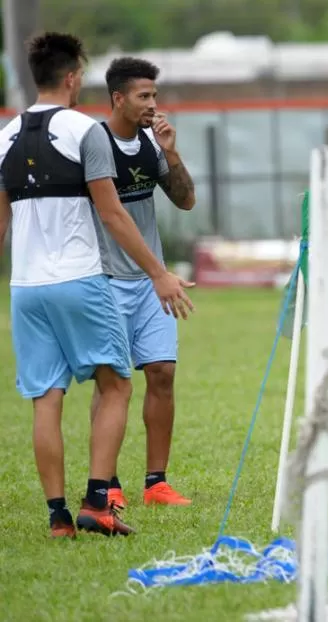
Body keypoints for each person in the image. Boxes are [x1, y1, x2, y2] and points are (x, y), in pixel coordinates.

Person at [0, 32, 194, 538]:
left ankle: (58, 518)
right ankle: (98, 501)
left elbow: (0, 225)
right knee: (116, 384)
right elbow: (110, 212)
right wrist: (159, 273)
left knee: (47, 397)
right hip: (81, 279)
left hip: (25, 287)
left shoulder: (5, 134)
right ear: (71, 78)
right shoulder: (84, 131)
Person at [90, 57, 197, 509]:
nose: (154, 104)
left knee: (163, 373)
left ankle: (156, 484)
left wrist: (170, 151)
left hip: (154, 280)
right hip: (107, 279)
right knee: (111, 381)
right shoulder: (95, 143)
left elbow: (186, 201)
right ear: (119, 98)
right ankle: (107, 482)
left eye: (155, 95)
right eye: (144, 96)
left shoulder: (152, 145)